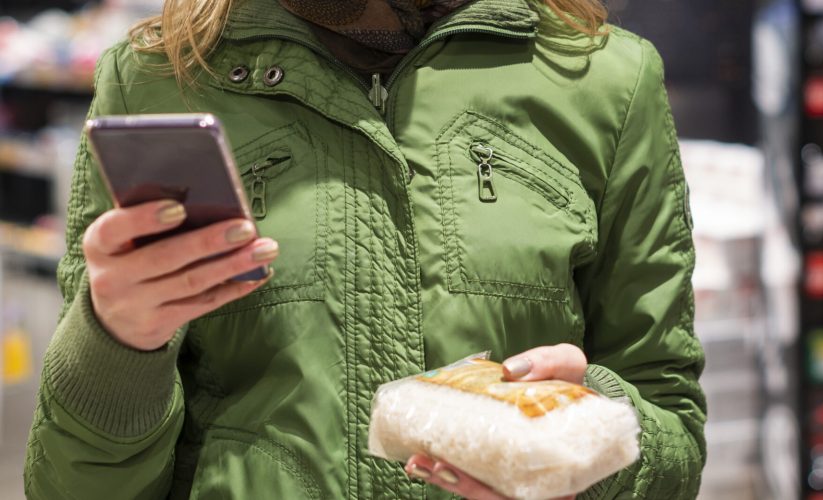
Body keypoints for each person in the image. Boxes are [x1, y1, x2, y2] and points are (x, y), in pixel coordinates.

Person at [21, 0, 707, 498]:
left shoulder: (605, 80)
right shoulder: (158, 77)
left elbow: (671, 430)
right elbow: (71, 486)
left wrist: (587, 452)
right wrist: (116, 343)